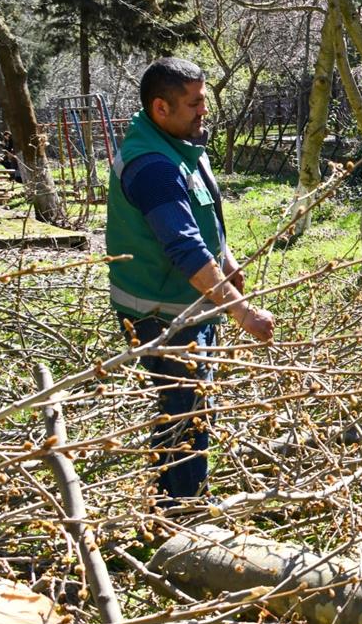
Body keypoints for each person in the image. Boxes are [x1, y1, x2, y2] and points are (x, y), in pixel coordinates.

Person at [107, 57, 275, 503]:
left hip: (191, 303)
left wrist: (229, 261)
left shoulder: (180, 143)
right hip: (162, 313)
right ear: (161, 108)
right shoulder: (154, 167)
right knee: (187, 413)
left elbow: (200, 219)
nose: (205, 111)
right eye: (195, 103)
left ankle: (169, 496)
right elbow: (184, 248)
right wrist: (242, 311)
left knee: (186, 407)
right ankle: (182, 514)